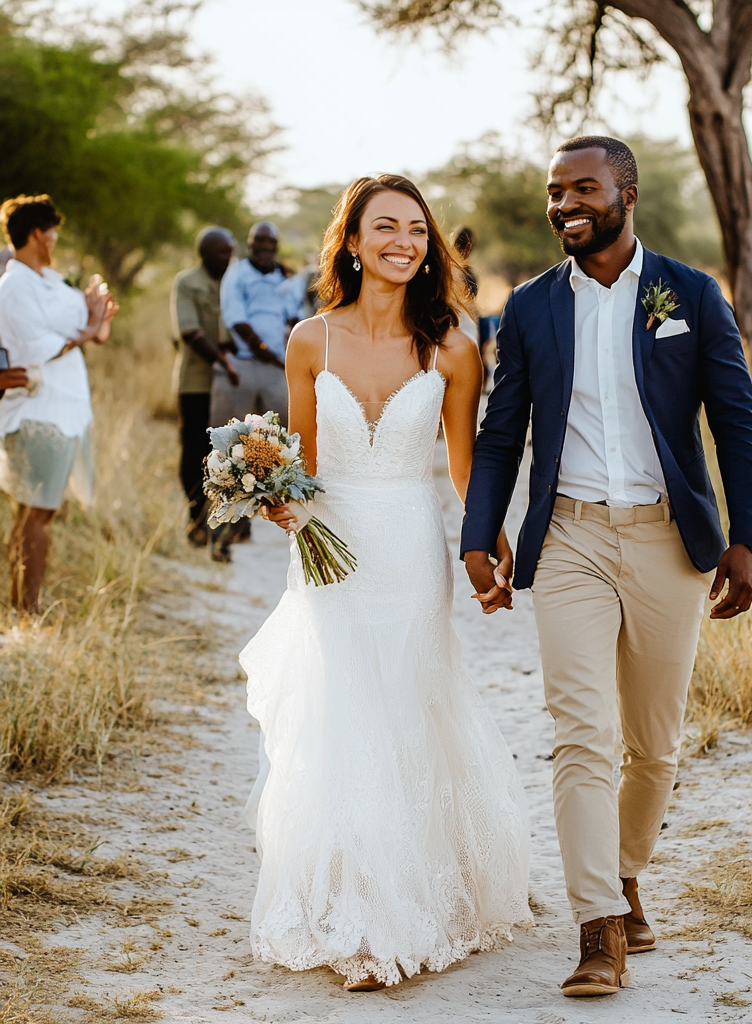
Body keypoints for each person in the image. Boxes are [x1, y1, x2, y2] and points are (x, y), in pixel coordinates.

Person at [461, 137, 752, 998]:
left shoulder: (691, 296)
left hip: (671, 538)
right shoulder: (527, 309)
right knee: (580, 736)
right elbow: (501, 432)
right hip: (571, 542)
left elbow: (735, 423)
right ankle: (598, 925)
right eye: (554, 192)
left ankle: (627, 872)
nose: (565, 204)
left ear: (626, 195)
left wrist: (747, 539)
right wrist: (479, 534)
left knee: (655, 746)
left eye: (583, 189)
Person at [247, 174, 531, 989]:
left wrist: (488, 540)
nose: (402, 241)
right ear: (354, 240)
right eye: (385, 227)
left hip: (409, 549)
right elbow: (298, 464)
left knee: (404, 704)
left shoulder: (453, 346)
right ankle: (354, 904)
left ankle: (403, 910)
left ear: (428, 243)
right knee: (344, 713)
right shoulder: (311, 340)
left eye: (415, 229)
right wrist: (272, 499)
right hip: (329, 551)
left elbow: (464, 462)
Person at [0, 195, 117, 613]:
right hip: (38, 411)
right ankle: (25, 613)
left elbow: (93, 332)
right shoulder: (14, 286)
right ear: (36, 233)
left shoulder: (50, 282)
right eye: (52, 232)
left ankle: (19, 608)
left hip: (65, 411)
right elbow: (40, 348)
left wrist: (97, 317)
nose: (55, 239)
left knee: (35, 513)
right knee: (37, 515)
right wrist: (87, 328)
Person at [213, 222, 293, 560]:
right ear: (249, 244)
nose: (263, 246)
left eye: (269, 241)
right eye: (257, 241)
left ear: (275, 245)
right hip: (246, 365)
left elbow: (294, 316)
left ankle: (266, 518)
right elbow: (236, 319)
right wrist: (265, 351)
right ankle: (223, 533)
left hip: (279, 368)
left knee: (280, 447)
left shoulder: (283, 277)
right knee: (231, 449)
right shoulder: (237, 274)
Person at [170, 228, 238, 547]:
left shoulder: (236, 282)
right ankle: (196, 515)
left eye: (231, 251)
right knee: (194, 450)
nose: (230, 257)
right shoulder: (187, 282)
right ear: (206, 255)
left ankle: (227, 522)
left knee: (229, 451)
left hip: (232, 383)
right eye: (223, 252)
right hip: (196, 382)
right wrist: (223, 362)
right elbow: (190, 332)